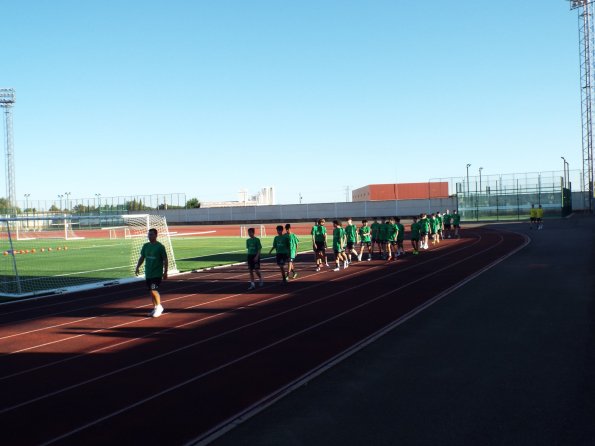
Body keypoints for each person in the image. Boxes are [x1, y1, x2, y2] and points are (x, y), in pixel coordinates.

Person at [135, 228, 168, 317]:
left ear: (156, 235)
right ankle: (155, 308)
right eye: (149, 235)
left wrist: (165, 272)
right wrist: (137, 267)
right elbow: (142, 257)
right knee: (151, 291)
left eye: (152, 235)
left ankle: (159, 307)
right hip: (148, 272)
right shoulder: (145, 246)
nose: (150, 236)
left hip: (157, 273)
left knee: (153, 290)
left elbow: (165, 259)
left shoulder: (160, 247)